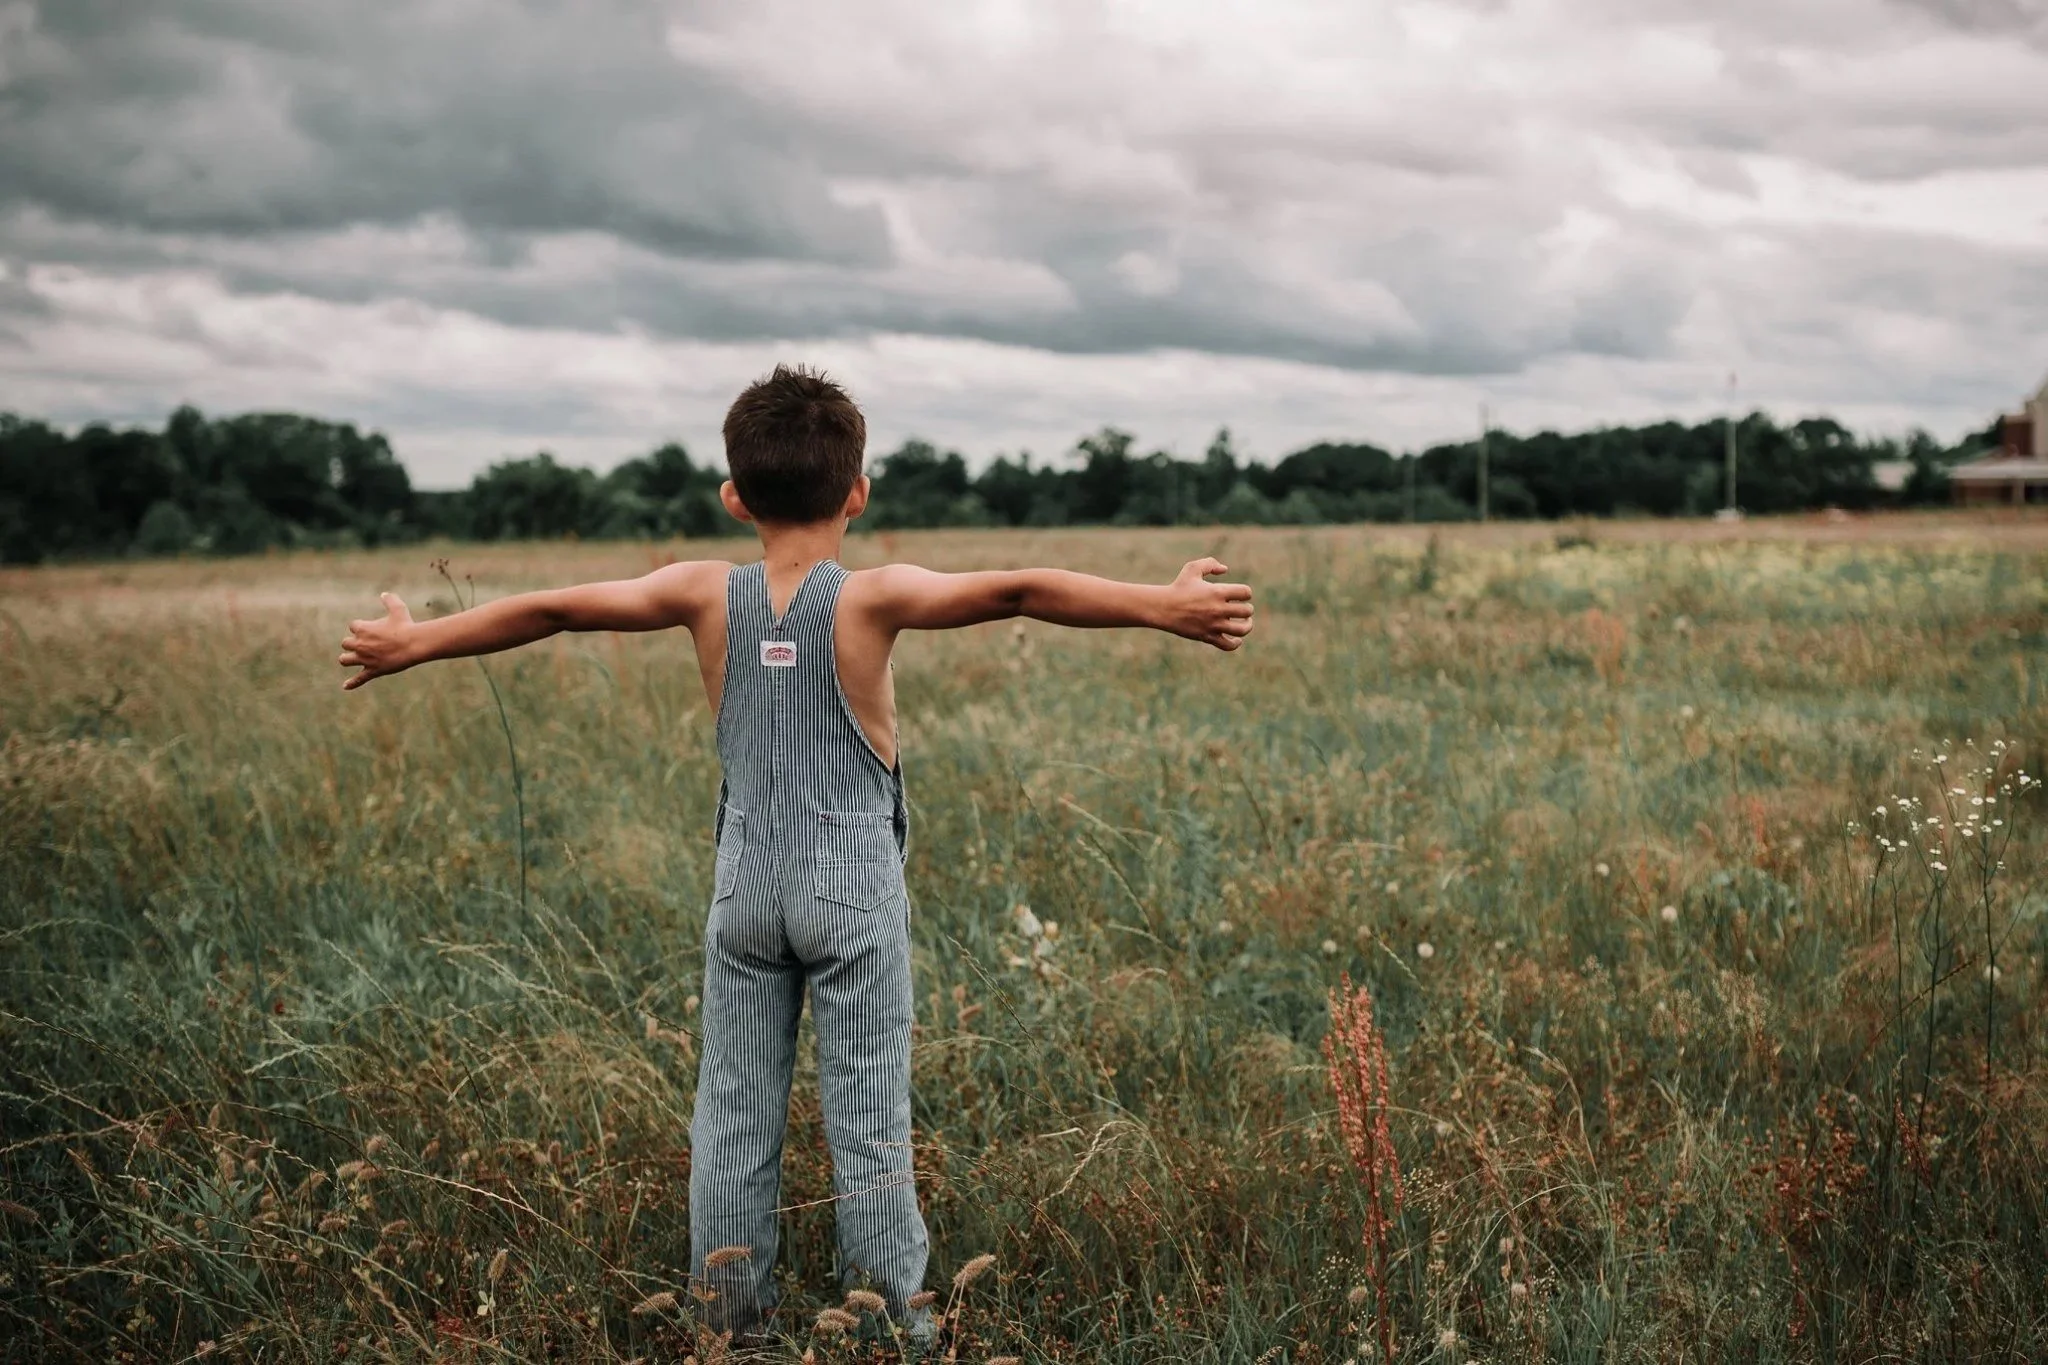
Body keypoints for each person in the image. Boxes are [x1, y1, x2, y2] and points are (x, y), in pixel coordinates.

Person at [336, 364, 1255, 1344]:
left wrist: (415, 641)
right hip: (850, 891)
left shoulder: (701, 591)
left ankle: (728, 1326)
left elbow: (556, 607)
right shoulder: (872, 597)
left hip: (744, 891)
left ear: (734, 497)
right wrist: (1162, 605)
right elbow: (1022, 589)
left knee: (731, 1122)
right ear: (858, 493)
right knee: (868, 1124)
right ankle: (889, 1333)